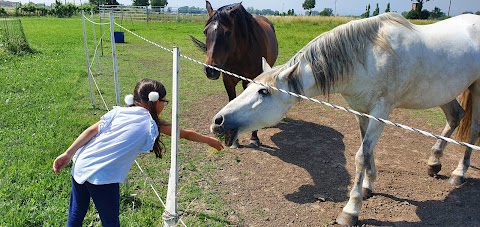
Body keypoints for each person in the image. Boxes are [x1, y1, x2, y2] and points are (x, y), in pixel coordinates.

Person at [52, 78, 224, 227]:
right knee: (110, 222)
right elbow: (185, 133)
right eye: (165, 101)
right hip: (104, 176)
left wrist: (68, 154)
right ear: (156, 101)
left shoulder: (119, 112)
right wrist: (210, 140)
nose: (164, 104)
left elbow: (91, 131)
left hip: (82, 163)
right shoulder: (150, 123)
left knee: (76, 214)